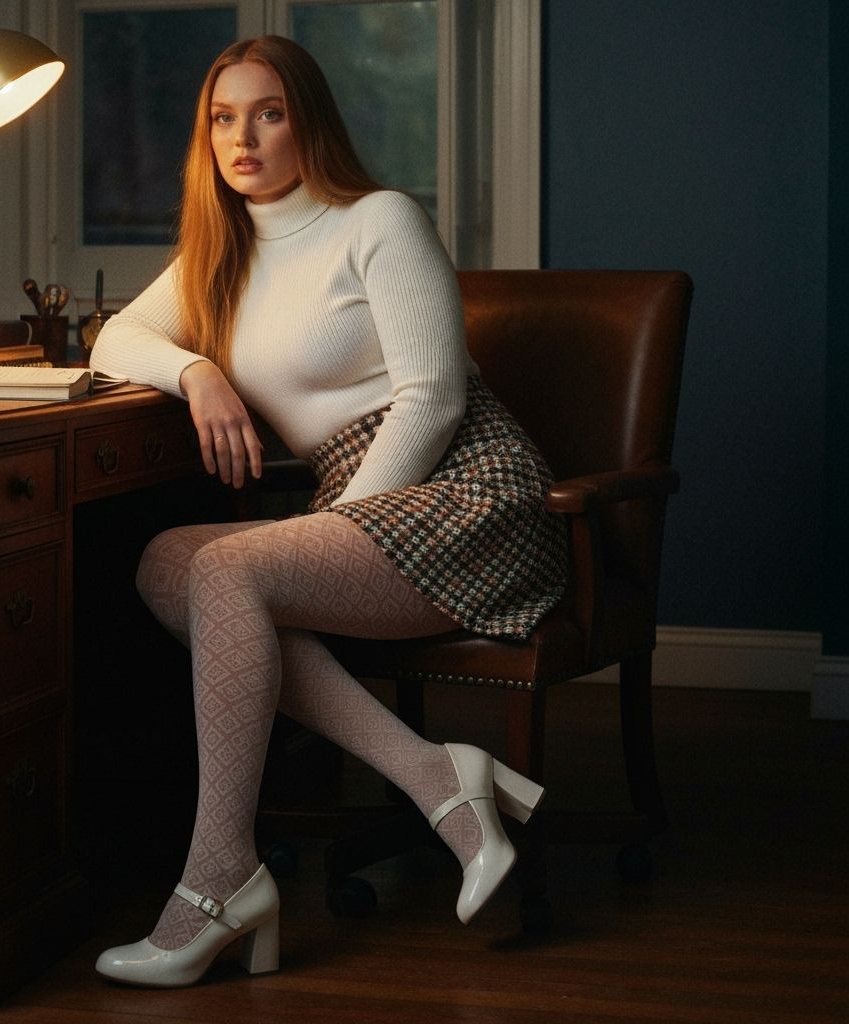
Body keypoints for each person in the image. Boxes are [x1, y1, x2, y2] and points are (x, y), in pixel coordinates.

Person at [90, 35, 566, 988]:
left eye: (268, 114)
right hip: (355, 494)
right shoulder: (219, 255)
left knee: (228, 570)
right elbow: (116, 337)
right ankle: (438, 779)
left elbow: (433, 399)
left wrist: (334, 523)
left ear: (308, 123)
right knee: (164, 564)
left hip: (463, 486)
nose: (244, 139)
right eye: (224, 119)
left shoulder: (377, 218)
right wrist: (198, 371)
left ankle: (218, 883)